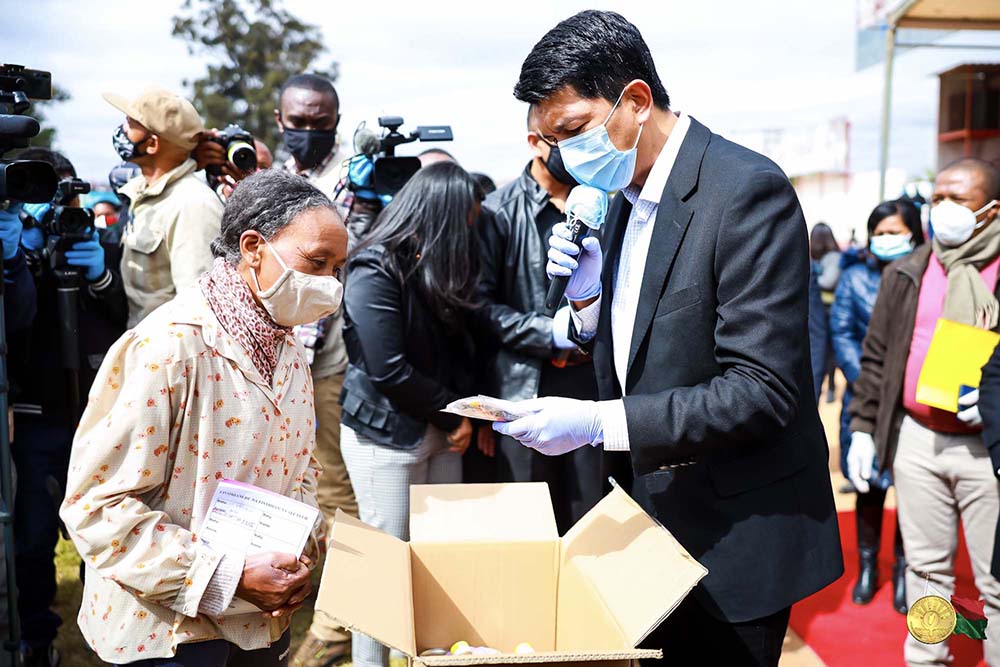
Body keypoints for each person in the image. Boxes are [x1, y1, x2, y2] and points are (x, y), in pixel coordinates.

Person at [493, 11, 842, 666]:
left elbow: (761, 390)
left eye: (572, 131)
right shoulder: (620, 195)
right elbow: (641, 343)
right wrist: (586, 301)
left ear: (635, 100)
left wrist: (599, 422)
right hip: (645, 525)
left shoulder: (744, 192)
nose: (563, 156)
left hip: (733, 532)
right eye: (549, 140)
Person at [59, 168, 347, 666]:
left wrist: (302, 551)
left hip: (259, 625)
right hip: (169, 634)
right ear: (253, 248)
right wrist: (225, 575)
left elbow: (300, 473)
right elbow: (97, 507)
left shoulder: (289, 351)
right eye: (316, 263)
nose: (329, 284)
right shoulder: (169, 348)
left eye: (337, 268)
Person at [849, 158, 1000, 666]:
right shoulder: (908, 270)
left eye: (959, 200)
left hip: (987, 451)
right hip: (917, 439)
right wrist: (864, 429)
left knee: (995, 581)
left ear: (991, 210)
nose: (944, 211)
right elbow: (875, 357)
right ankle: (926, 658)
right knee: (927, 573)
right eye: (937, 199)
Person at [339, 162, 482, 667]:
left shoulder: (437, 262)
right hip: (387, 434)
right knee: (384, 563)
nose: (473, 228)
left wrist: (466, 416)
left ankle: (436, 658)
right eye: (467, 218)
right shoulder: (373, 268)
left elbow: (460, 348)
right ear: (442, 214)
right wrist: (454, 418)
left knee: (440, 559)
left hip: (443, 430)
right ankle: (373, 663)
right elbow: (389, 369)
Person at [9, 149, 128, 667]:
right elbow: (15, 324)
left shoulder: (103, 245)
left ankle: (107, 625)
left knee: (105, 532)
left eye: (64, 197)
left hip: (99, 414)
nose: (57, 212)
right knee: (34, 534)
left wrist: (102, 275)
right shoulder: (15, 252)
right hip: (38, 414)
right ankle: (37, 634)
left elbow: (130, 318)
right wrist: (24, 260)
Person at [266, 72, 358, 667]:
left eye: (319, 125)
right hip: (273, 360)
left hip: (329, 362)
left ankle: (339, 623)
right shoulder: (269, 182)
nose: (307, 134)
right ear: (280, 122)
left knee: (335, 491)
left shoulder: (356, 178)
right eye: (297, 124)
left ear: (335, 123)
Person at [479, 107, 603, 532]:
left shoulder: (603, 202)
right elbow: (480, 308)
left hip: (594, 386)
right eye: (566, 138)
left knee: (594, 518)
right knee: (530, 523)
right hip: (525, 383)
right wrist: (550, 333)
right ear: (536, 143)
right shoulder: (496, 211)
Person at [831, 199, 924, 614]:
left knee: (912, 489)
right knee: (868, 485)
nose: (886, 239)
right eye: (879, 232)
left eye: (895, 231)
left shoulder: (927, 278)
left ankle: (906, 570)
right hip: (865, 398)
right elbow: (844, 334)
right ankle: (869, 566)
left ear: (913, 232)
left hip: (912, 403)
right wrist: (873, 382)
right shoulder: (853, 279)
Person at [104, 86, 224, 327]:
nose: (122, 130)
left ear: (151, 144)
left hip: (166, 356)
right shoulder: (141, 193)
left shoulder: (193, 204)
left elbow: (198, 311)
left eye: (130, 123)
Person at [811, 222, 842, 403]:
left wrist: (812, 277)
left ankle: (830, 387)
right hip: (819, 312)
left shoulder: (833, 258)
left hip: (830, 312)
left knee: (829, 354)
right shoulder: (818, 259)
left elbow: (829, 281)